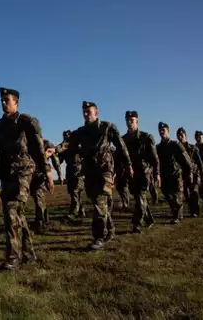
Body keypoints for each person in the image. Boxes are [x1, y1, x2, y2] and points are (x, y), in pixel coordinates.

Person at [0, 87, 51, 269]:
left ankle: (13, 257)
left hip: (23, 172)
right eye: (2, 100)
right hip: (7, 174)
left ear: (16, 102)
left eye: (7, 100)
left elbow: (37, 146)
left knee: (11, 211)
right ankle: (28, 253)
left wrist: (46, 170)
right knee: (17, 215)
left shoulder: (26, 121)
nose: (3, 103)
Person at [68, 101, 132, 250]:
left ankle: (99, 237)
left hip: (105, 171)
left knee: (99, 201)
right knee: (99, 203)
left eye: (88, 111)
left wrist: (128, 164)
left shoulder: (107, 127)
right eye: (83, 111)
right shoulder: (80, 132)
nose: (86, 114)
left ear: (96, 113)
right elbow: (68, 145)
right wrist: (54, 150)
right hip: (90, 172)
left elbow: (121, 145)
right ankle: (110, 230)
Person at [122, 111, 160, 233]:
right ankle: (149, 219)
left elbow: (155, 158)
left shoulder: (146, 137)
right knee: (139, 198)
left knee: (140, 196)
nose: (129, 123)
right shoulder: (124, 140)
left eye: (132, 120)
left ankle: (136, 223)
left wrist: (157, 174)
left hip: (145, 172)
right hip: (132, 173)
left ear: (137, 121)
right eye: (127, 120)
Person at [156, 122, 192, 224]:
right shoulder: (158, 147)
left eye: (163, 130)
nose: (161, 132)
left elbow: (186, 160)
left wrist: (189, 172)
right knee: (168, 196)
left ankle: (177, 216)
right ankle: (176, 214)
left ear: (168, 131)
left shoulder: (175, 145)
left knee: (176, 197)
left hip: (175, 175)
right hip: (165, 176)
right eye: (160, 130)